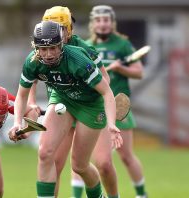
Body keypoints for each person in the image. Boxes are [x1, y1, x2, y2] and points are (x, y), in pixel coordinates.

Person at [8, 21, 122, 198]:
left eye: (53, 48)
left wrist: (112, 124)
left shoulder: (78, 60)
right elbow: (21, 96)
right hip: (63, 99)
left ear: (61, 44)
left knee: (79, 166)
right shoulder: (32, 62)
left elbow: (107, 92)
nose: (48, 54)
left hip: (90, 105)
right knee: (45, 153)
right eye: (43, 49)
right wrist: (16, 123)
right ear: (36, 47)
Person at [41, 6, 120, 198]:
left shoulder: (83, 50)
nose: (54, 32)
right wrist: (30, 104)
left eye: (60, 27)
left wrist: (83, 95)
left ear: (68, 28)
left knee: (103, 164)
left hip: (88, 107)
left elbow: (105, 81)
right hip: (63, 107)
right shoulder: (43, 47)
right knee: (53, 162)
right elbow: (33, 75)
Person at [86, 5, 147, 198]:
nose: (102, 24)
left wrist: (122, 69)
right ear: (92, 23)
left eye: (106, 20)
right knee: (85, 158)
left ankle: (141, 194)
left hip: (119, 106)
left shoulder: (122, 45)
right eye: (98, 20)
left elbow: (139, 72)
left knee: (126, 156)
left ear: (112, 23)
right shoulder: (86, 46)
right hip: (95, 108)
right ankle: (77, 194)